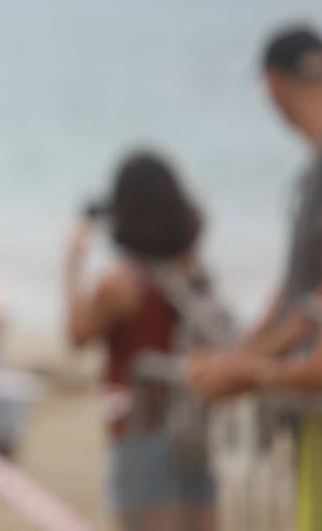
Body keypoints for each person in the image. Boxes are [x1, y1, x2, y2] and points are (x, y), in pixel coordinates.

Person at [187, 23, 322, 531]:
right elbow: (303, 302)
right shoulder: (311, 175)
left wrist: (246, 370)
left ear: (272, 84)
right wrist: (238, 358)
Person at [64, 151, 218, 531]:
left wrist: (72, 265)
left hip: (138, 432)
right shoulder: (189, 270)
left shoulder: (120, 284)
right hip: (190, 428)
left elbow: (78, 335)